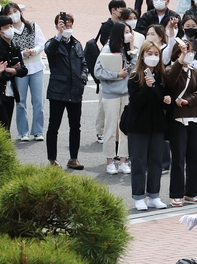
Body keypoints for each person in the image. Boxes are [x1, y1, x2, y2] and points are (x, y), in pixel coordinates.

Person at [126, 40, 171, 211]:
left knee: (156, 161)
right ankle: (138, 196)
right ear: (142, 55)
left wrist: (167, 100)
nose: (153, 57)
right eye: (149, 54)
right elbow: (136, 101)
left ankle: (154, 195)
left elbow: (162, 99)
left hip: (157, 125)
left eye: (156, 54)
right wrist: (147, 87)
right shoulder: (135, 76)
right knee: (138, 161)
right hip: (138, 126)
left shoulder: (161, 76)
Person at [165, 38, 197, 206]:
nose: (189, 54)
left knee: (196, 156)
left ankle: (192, 192)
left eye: (191, 51)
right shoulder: (172, 69)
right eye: (185, 51)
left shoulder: (194, 71)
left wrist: (188, 100)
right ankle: (176, 193)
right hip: (178, 119)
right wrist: (180, 60)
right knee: (178, 158)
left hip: (195, 117)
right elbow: (170, 81)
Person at [45, 13, 87, 170]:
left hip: (75, 91)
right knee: (53, 126)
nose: (68, 28)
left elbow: (83, 63)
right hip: (58, 91)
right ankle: (52, 159)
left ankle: (73, 158)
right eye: (64, 25)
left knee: (75, 126)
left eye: (70, 25)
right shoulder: (52, 43)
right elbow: (49, 51)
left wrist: (83, 78)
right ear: (57, 26)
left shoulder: (77, 44)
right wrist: (59, 36)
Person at [95, 22, 134, 174]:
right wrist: (116, 75)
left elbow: (135, 66)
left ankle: (123, 160)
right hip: (111, 94)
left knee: (124, 128)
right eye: (125, 32)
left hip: (126, 93)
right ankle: (110, 161)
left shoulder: (127, 50)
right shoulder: (107, 49)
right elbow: (98, 71)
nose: (128, 34)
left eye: (129, 31)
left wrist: (131, 49)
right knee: (110, 128)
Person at [5, 3, 45, 140]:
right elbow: (9, 51)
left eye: (15, 11)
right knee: (20, 102)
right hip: (20, 70)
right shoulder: (9, 31)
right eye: (10, 13)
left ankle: (38, 131)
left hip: (36, 68)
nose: (13, 15)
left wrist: (33, 50)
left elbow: (42, 43)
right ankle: (23, 132)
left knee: (38, 102)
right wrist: (22, 54)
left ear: (20, 12)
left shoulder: (32, 26)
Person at [0, 15, 27, 130]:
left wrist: (11, 70)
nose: (10, 29)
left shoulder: (15, 47)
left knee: (7, 125)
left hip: (11, 92)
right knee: (2, 127)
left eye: (11, 26)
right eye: (6, 27)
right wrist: (12, 70)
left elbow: (23, 70)